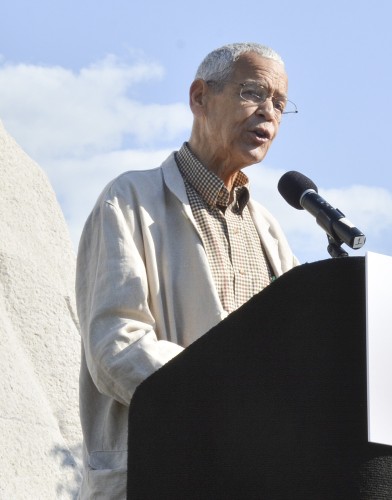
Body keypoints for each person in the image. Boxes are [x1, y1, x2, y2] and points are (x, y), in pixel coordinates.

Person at [75, 42, 299, 498]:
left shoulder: (271, 232)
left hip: (253, 479)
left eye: (279, 103)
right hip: (158, 474)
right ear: (199, 97)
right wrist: (226, 403)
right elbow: (117, 346)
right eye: (254, 92)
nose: (269, 113)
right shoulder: (128, 200)